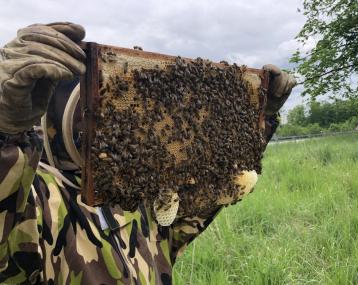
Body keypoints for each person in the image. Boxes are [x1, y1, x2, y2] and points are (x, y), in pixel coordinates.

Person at [0, 22, 296, 285]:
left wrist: (254, 118)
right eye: (99, 112)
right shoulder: (37, 196)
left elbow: (202, 201)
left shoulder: (137, 190)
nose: (119, 124)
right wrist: (5, 132)